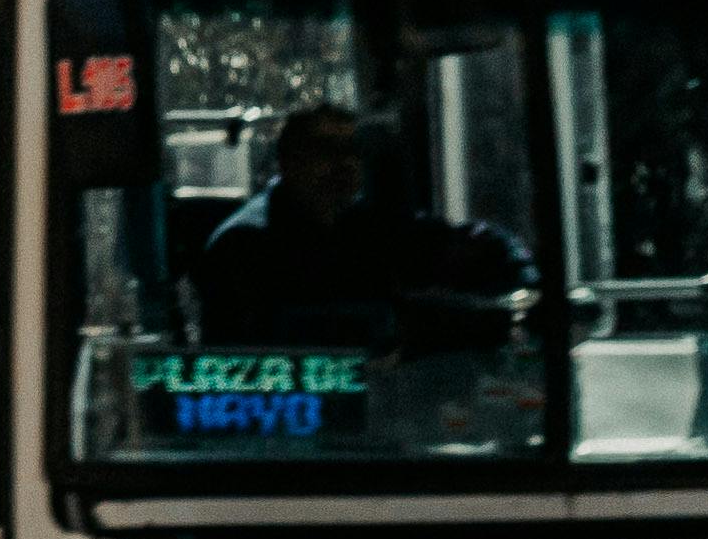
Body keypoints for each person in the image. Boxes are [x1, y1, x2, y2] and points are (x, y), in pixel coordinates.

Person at [193, 100, 530, 351]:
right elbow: (264, 338)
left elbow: (473, 242)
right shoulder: (244, 243)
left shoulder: (367, 225)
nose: (345, 165)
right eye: (326, 151)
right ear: (288, 162)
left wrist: (522, 287)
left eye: (353, 152)